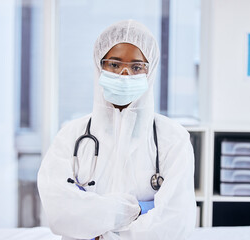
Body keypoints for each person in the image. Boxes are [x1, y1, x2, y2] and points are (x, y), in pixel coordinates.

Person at [38, 19, 196, 240]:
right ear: (99, 65)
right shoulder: (71, 135)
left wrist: (101, 231)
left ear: (149, 72)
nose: (124, 74)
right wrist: (136, 209)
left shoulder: (173, 138)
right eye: (114, 64)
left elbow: (176, 220)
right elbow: (59, 212)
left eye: (136, 67)